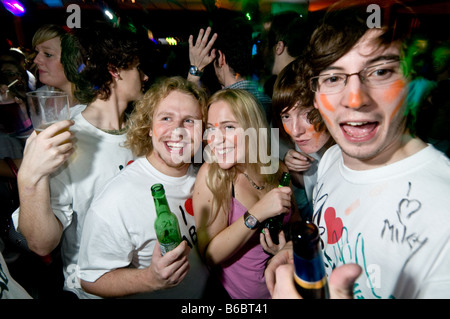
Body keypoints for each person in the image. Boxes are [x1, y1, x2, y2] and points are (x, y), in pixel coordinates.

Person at [266, 0, 450, 299]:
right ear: (315, 95)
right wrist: (300, 251)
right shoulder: (331, 160)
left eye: (380, 72)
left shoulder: (443, 216)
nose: (354, 99)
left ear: (411, 80)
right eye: (334, 77)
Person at [12, 22, 149, 298]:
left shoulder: (139, 129)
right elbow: (41, 243)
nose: (145, 77)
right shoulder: (66, 136)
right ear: (115, 71)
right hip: (91, 291)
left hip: (144, 285)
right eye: (138, 68)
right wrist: (30, 179)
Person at [78, 76, 209, 298]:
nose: (177, 130)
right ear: (149, 128)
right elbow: (90, 279)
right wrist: (149, 279)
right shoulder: (117, 199)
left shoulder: (203, 172)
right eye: (166, 118)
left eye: (189, 121)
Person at [193, 89, 300, 299]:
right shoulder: (214, 176)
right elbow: (210, 256)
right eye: (210, 130)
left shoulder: (278, 170)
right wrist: (257, 213)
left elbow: (296, 224)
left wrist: (286, 245)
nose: (215, 139)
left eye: (229, 127)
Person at [272, 57, 334, 219]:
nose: (294, 130)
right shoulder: (307, 144)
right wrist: (292, 170)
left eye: (306, 114)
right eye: (286, 116)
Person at [188, 17, 272, 122]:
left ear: (221, 58)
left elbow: (187, 120)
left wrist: (195, 69)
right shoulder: (267, 101)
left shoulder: (218, 107)